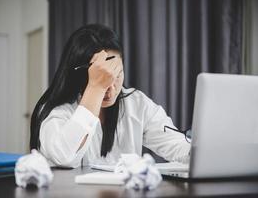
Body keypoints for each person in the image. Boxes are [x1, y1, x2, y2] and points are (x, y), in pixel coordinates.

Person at [30, 24, 190, 168]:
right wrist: (95, 88)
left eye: (117, 74)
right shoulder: (56, 111)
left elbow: (174, 144)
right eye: (102, 77)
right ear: (77, 75)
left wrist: (201, 153)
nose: (111, 89)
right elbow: (65, 157)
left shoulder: (136, 103)